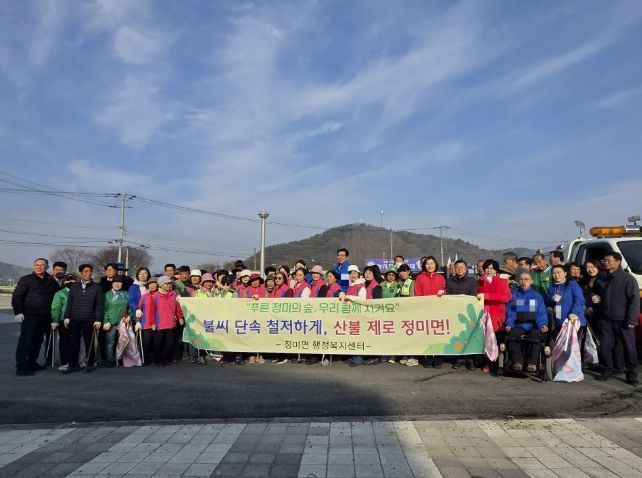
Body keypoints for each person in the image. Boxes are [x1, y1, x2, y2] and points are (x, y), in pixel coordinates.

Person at [594, 252, 640, 385]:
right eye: (604, 260)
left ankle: (631, 375)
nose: (605, 262)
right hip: (605, 320)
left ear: (618, 262)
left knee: (629, 348)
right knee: (604, 346)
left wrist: (631, 320)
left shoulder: (628, 279)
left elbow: (634, 300)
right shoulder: (601, 278)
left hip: (623, 320)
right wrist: (594, 297)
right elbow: (594, 292)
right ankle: (606, 370)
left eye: (609, 260)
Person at [12, 258, 60, 376]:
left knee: (38, 341)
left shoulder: (52, 281)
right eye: (36, 265)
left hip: (45, 316)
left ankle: (32, 362)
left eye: (42, 265)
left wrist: (55, 318)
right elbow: (17, 297)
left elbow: (57, 298)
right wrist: (18, 312)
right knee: (26, 341)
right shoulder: (26, 280)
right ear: (34, 266)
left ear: (47, 267)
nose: (39, 267)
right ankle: (21, 366)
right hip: (29, 315)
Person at [63, 264, 104, 374]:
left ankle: (89, 363)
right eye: (85, 271)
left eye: (90, 271)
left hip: (89, 319)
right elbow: (69, 303)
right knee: (73, 342)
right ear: (80, 273)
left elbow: (99, 305)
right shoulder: (74, 287)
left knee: (88, 342)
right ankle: (73, 364)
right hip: (75, 319)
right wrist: (66, 317)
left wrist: (98, 319)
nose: (88, 273)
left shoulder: (97, 287)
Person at [505, 271, 549, 372]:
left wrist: (542, 325)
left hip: (533, 325)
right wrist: (509, 324)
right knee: (511, 334)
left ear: (531, 281)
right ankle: (517, 362)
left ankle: (532, 363)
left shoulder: (536, 296)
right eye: (521, 279)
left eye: (526, 279)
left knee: (535, 335)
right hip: (518, 325)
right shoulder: (514, 295)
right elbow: (510, 313)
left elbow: (541, 313)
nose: (523, 281)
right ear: (518, 281)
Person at [477, 259, 512, 372]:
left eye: (491, 268)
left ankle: (495, 363)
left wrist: (488, 296)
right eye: (487, 268)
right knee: (484, 340)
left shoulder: (502, 282)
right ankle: (487, 362)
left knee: (495, 339)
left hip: (497, 315)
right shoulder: (480, 282)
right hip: (484, 314)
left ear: (496, 270)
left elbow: (507, 297)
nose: (489, 270)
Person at [414, 256, 446, 368]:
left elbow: (445, 291)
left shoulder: (441, 278)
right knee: (426, 334)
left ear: (435, 264)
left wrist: (443, 292)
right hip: (425, 310)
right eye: (427, 263)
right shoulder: (419, 278)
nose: (430, 265)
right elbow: (417, 293)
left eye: (432, 263)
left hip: (439, 310)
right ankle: (427, 357)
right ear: (424, 265)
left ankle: (438, 357)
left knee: (438, 334)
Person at [447, 260, 478, 370]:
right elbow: (448, 295)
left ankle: (470, 360)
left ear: (466, 269)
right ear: (454, 269)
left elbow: (473, 294)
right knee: (458, 336)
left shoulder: (472, 281)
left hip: (468, 313)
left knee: (469, 336)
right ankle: (459, 359)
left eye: (462, 267)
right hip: (455, 313)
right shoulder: (449, 281)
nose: (459, 269)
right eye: (457, 267)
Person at [545, 265, 586, 338]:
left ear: (565, 273)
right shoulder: (551, 287)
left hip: (573, 320)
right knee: (560, 344)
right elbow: (547, 302)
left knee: (572, 344)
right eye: (554, 273)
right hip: (559, 321)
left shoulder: (572, 285)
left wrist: (574, 313)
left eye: (558, 272)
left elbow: (579, 300)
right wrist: (552, 299)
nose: (556, 275)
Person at [153, 276, 184, 367]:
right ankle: (158, 360)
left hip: (171, 323)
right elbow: (151, 311)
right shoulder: (155, 296)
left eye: (170, 283)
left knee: (169, 344)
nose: (168, 285)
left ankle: (166, 359)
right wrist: (152, 322)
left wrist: (180, 317)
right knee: (158, 344)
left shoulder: (173, 294)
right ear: (160, 285)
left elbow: (177, 307)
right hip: (159, 324)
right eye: (166, 284)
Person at [102, 275, 132, 367]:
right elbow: (104, 309)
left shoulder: (126, 294)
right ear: (112, 284)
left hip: (123, 322)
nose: (117, 284)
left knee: (122, 342)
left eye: (119, 282)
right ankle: (110, 359)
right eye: (115, 282)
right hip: (111, 323)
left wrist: (129, 316)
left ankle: (120, 358)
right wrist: (106, 321)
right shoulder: (106, 295)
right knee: (110, 342)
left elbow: (130, 307)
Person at [51, 274, 76, 372]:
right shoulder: (60, 293)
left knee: (75, 341)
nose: (71, 282)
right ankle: (65, 361)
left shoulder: (79, 292)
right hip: (63, 320)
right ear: (65, 282)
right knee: (64, 342)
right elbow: (56, 308)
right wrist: (55, 321)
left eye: (73, 280)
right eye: (69, 280)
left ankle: (74, 361)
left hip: (76, 320)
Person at [136, 276, 157, 364]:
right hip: (146, 323)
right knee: (146, 343)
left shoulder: (159, 295)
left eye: (154, 284)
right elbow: (139, 309)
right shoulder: (144, 296)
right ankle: (145, 359)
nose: (152, 286)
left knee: (156, 343)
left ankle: (156, 359)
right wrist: (138, 321)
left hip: (158, 323)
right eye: (150, 284)